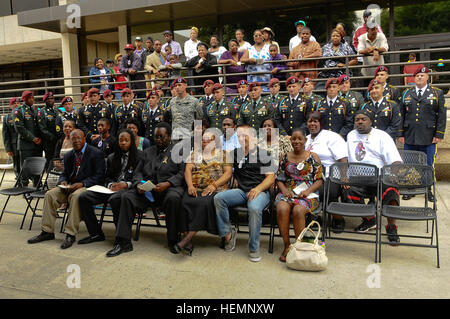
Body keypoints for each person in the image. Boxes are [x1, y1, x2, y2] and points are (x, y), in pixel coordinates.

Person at [107, 122, 186, 256]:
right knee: (126, 197)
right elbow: (138, 172)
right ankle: (123, 242)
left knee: (174, 198)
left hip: (168, 189)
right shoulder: (148, 152)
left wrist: (168, 183)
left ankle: (173, 239)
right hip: (148, 190)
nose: (158, 140)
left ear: (170, 136)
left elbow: (182, 173)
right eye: (156, 137)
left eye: (162, 137)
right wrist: (138, 184)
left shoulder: (179, 151)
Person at [27, 129, 105, 249]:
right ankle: (47, 232)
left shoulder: (96, 153)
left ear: (84, 139)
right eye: (73, 139)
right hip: (69, 186)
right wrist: (62, 181)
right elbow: (64, 173)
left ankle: (70, 234)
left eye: (79, 138)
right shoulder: (69, 155)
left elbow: (99, 176)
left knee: (76, 196)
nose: (76, 141)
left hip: (88, 187)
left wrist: (82, 183)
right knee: (50, 194)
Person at [214, 124, 276, 262]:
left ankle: (254, 248)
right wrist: (234, 178)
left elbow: (271, 178)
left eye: (245, 135)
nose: (241, 138)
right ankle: (228, 233)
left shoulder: (265, 154)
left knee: (253, 208)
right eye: (239, 136)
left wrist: (258, 189)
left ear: (253, 137)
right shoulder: (234, 153)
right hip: (241, 191)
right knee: (219, 198)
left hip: (260, 192)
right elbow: (228, 172)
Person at [77, 129, 143, 246]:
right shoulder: (113, 157)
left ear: (131, 142)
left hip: (128, 190)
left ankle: (121, 238)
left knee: (115, 199)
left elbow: (140, 177)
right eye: (120, 140)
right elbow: (106, 177)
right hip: (111, 189)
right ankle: (96, 233)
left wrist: (125, 184)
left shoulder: (139, 156)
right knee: (84, 197)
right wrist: (110, 185)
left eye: (126, 140)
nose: (123, 143)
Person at [345, 109, 402, 244]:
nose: (359, 122)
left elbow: (395, 160)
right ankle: (370, 220)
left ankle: (392, 226)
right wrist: (344, 176)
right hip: (357, 178)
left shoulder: (382, 136)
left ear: (371, 121)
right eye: (357, 119)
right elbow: (345, 159)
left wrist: (393, 174)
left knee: (391, 191)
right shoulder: (350, 135)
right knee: (346, 190)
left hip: (380, 177)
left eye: (363, 119)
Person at [174, 130, 233, 255]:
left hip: (215, 190)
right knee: (184, 202)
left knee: (203, 204)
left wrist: (214, 185)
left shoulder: (224, 154)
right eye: (203, 140)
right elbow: (187, 170)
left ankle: (186, 240)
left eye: (209, 140)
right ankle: (187, 240)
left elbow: (228, 173)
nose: (205, 142)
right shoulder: (195, 153)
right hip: (196, 188)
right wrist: (190, 186)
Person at [275, 128, 324, 262]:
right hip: (288, 192)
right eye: (294, 139)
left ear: (305, 140)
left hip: (308, 193)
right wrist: (284, 190)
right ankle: (287, 246)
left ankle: (299, 246)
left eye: (299, 139)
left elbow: (319, 179)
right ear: (290, 141)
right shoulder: (284, 156)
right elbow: (279, 179)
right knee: (282, 208)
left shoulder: (313, 157)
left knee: (298, 210)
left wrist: (307, 191)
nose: (296, 141)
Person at [399, 67, 446, 202]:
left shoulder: (437, 93)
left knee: (428, 164)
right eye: (417, 75)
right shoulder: (407, 93)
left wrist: (439, 134)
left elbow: (441, 115)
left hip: (429, 136)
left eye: (422, 75)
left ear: (427, 77)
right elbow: (402, 114)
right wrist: (401, 133)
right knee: (410, 163)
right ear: (414, 78)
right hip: (410, 135)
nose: (419, 77)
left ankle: (427, 189)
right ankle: (411, 188)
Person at [305, 111, 348, 232]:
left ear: (321, 123)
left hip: (330, 176)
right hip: (310, 177)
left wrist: (344, 177)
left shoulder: (331, 136)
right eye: (310, 121)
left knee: (326, 192)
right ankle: (313, 216)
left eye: (315, 121)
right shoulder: (306, 139)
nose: (312, 124)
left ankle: (338, 218)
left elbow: (342, 159)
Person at [12, 90, 42, 187]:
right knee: (25, 168)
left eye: (33, 98)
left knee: (37, 166)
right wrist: (33, 138)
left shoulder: (35, 110)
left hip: (37, 144)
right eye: (30, 98)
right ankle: (25, 187)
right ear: (25, 99)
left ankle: (37, 185)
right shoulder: (19, 111)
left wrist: (39, 139)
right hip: (26, 144)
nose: (32, 100)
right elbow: (19, 128)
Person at [48, 119, 76, 189]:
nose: (67, 128)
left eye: (70, 127)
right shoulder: (60, 141)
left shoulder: (77, 141)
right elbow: (55, 157)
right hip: (59, 168)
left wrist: (65, 168)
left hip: (72, 169)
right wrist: (56, 163)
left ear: (74, 129)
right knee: (51, 177)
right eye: (65, 126)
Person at [37, 91, 59, 166]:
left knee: (58, 160)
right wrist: (52, 137)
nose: (50, 100)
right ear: (45, 100)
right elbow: (42, 129)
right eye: (48, 99)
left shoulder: (57, 111)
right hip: (48, 141)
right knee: (50, 161)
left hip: (58, 140)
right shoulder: (42, 112)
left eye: (52, 98)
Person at [2, 97, 20, 179]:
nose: (16, 105)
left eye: (18, 103)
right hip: (14, 145)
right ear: (10, 106)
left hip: (26, 144)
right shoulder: (7, 118)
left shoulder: (24, 115)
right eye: (14, 103)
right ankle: (19, 180)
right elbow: (5, 135)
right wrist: (8, 149)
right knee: (17, 164)